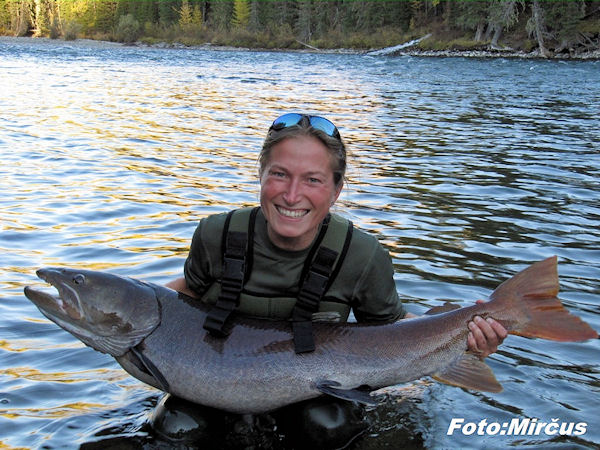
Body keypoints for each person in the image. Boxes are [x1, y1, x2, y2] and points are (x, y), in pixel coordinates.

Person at [164, 113, 507, 446]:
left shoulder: (362, 254)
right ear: (261, 175)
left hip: (314, 392)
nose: (292, 195)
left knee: (329, 427)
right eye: (280, 174)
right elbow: (184, 294)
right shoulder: (216, 235)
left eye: (313, 180)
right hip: (213, 381)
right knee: (176, 427)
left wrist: (464, 340)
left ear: (336, 189)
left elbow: (393, 329)